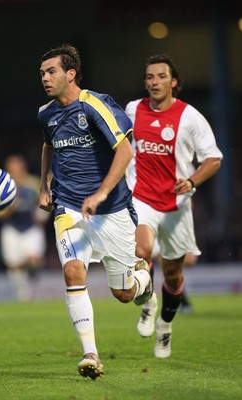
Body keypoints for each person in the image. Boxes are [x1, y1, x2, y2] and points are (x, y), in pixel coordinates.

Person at [37, 43, 152, 380]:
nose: (44, 78)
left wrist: (101, 193)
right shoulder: (46, 113)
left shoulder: (96, 106)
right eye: (42, 73)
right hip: (69, 207)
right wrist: (45, 185)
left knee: (123, 294)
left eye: (51, 71)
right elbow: (47, 143)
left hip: (112, 210)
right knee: (73, 273)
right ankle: (91, 355)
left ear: (70, 74)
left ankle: (144, 279)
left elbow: (126, 150)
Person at [125, 54, 223, 358]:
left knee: (173, 276)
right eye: (149, 77)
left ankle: (165, 326)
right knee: (140, 252)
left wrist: (192, 182)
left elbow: (214, 158)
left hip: (177, 205)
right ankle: (148, 302)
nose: (154, 82)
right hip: (140, 197)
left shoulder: (190, 117)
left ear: (174, 81)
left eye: (161, 76)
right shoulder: (132, 110)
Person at [0, 154, 50, 301]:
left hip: (32, 228)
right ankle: (24, 295)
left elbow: (45, 202)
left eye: (18, 169)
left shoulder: (33, 183)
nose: (16, 173)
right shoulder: (1, 188)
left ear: (23, 169)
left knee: (33, 261)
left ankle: (34, 286)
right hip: (12, 229)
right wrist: (10, 208)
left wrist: (41, 215)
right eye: (12, 170)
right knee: (15, 265)